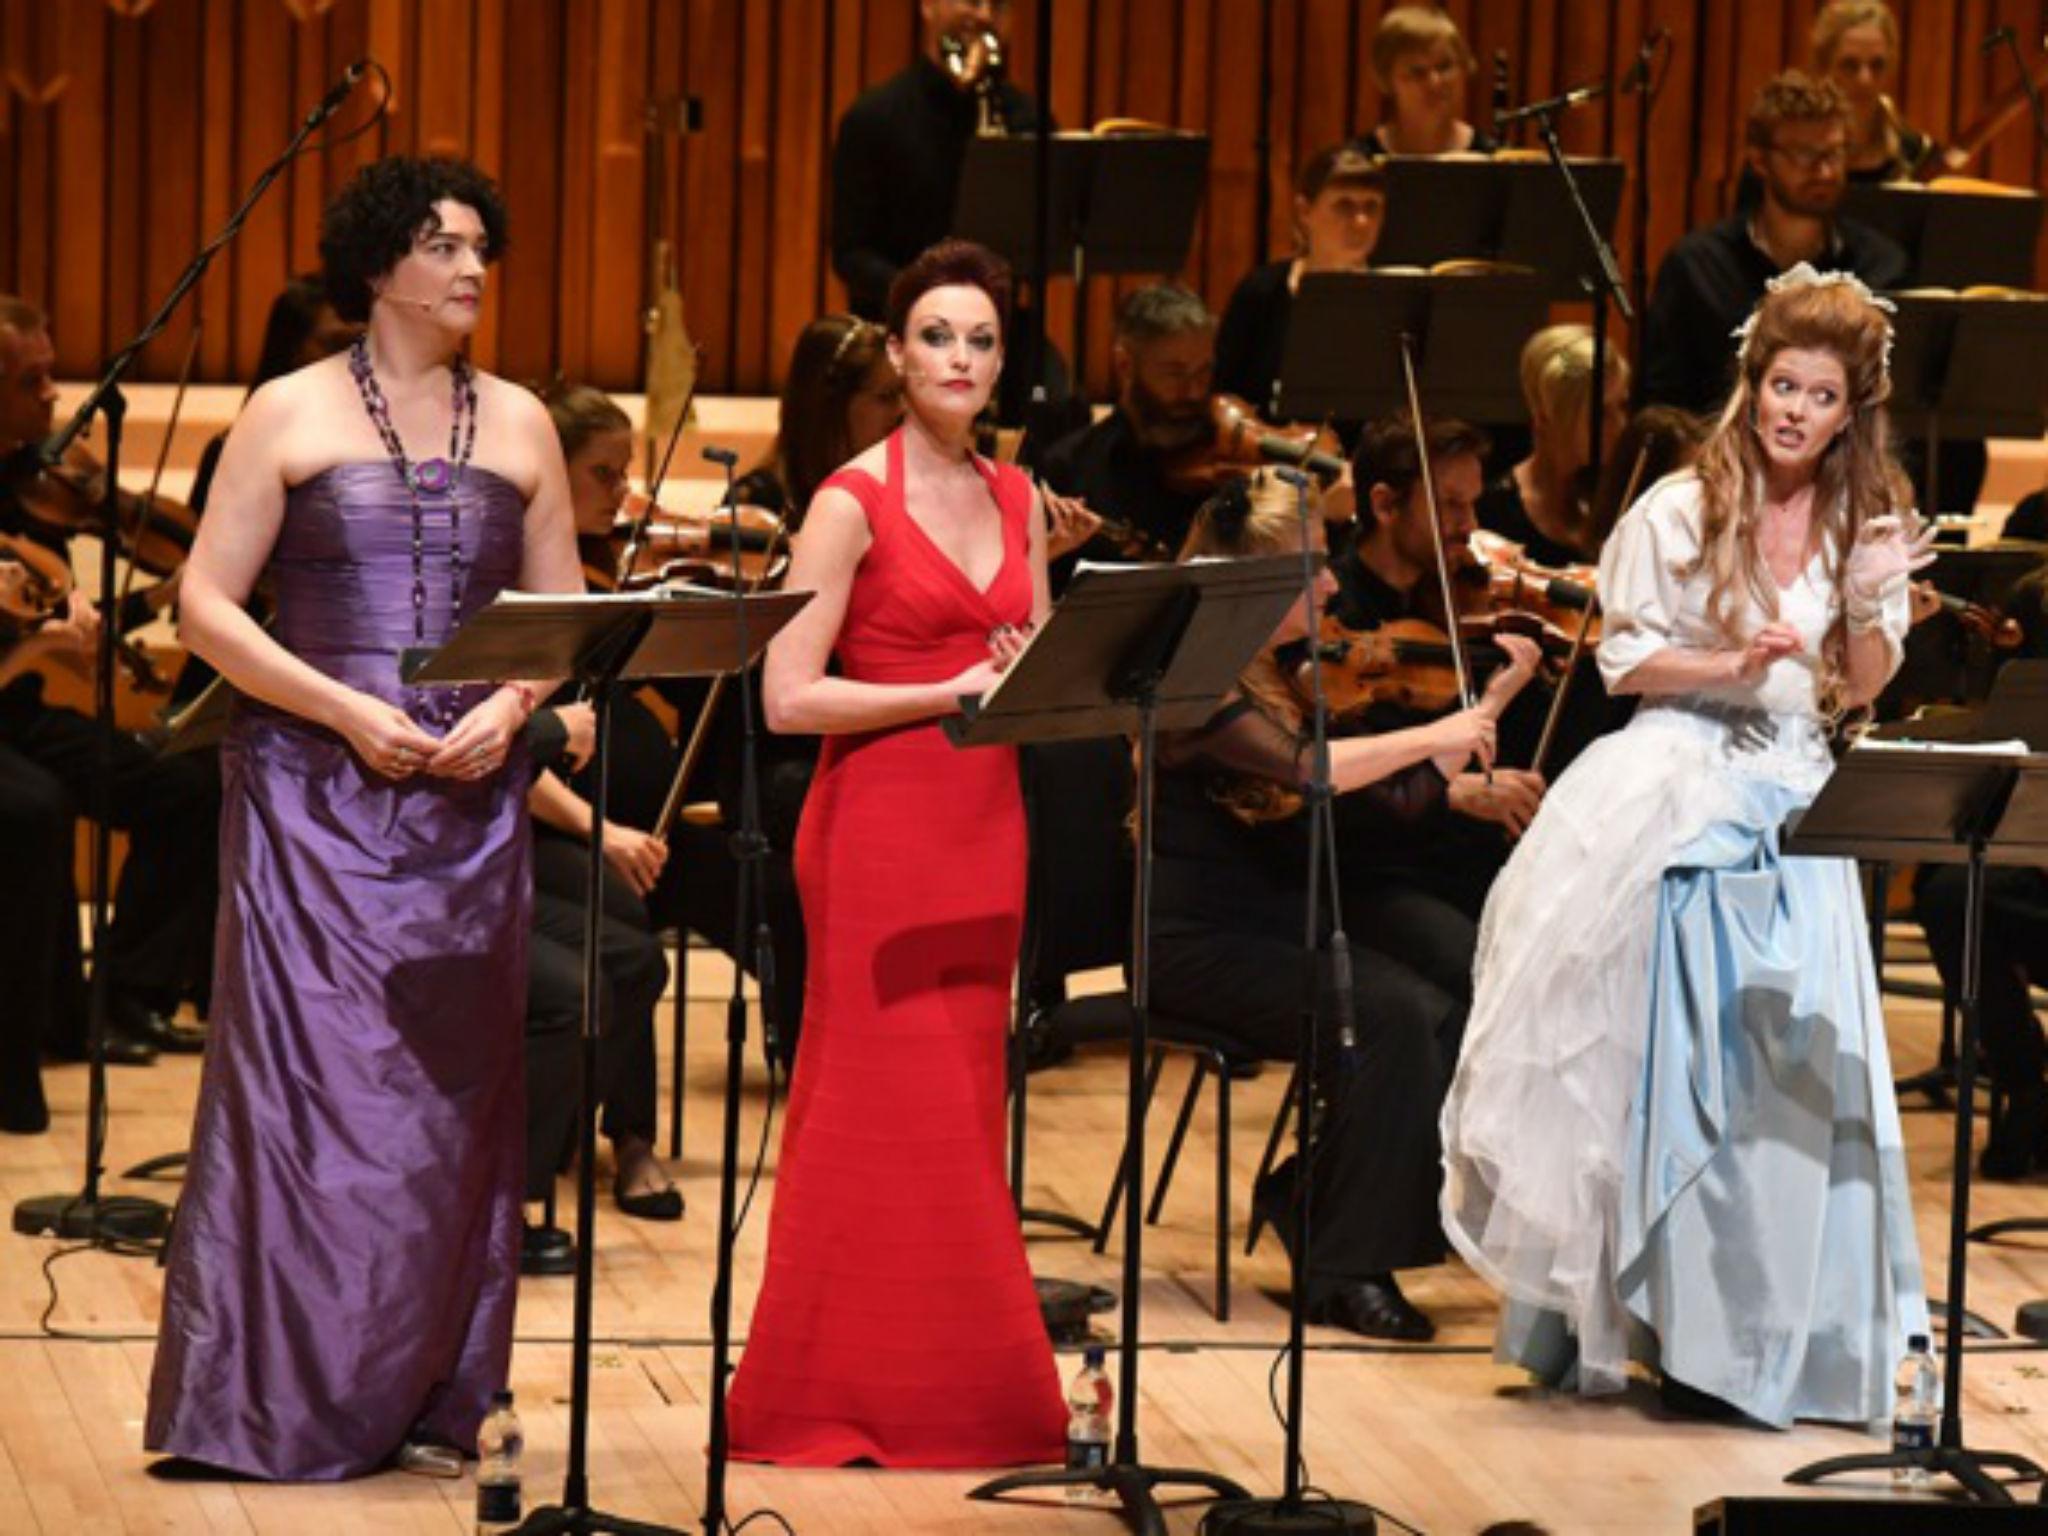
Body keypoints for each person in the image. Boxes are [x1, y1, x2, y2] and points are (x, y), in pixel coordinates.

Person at [146, 155, 583, 1480]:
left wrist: (512, 711)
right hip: (307, 797)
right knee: (308, 1094)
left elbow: (559, 625)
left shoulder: (520, 424)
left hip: (469, 809)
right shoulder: (284, 410)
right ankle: (274, 1404)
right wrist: (338, 710)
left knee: (448, 1108)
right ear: (379, 263)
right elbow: (203, 606)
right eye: (443, 245)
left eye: (479, 246)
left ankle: (423, 1386)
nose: (471, 268)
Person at [1442, 267, 1934, 1428]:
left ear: (1849, 409)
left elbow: (1858, 690)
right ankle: (1670, 1321)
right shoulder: (1677, 507)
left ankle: (1778, 1328)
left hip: (1798, 795)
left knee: (1788, 1072)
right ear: (1749, 383)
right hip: (1675, 778)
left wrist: (1864, 606)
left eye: (1817, 394)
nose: (1791, 409)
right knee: (1670, 1064)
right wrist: (1728, 661)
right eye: (1778, 383)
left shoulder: (1866, 519)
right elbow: (1621, 661)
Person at [728, 239, 1065, 1466]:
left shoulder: (1020, 500)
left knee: (965, 1117)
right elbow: (785, 698)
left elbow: (1016, 663)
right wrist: (941, 694)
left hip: (986, 830)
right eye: (936, 337)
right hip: (873, 826)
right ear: (894, 351)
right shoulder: (845, 500)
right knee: (876, 1108)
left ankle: (960, 1395)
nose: (960, 360)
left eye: (980, 340)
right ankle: (833, 1391)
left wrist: (1029, 683)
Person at [1156, 470, 1535, 1339]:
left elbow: (1394, 803)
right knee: (1395, 1013)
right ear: (1248, 583)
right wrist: (1439, 735)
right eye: (1309, 570)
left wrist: (1485, 707)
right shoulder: (1195, 683)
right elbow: (1309, 770)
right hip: (1198, 937)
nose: (1331, 586)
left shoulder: (1286, 666)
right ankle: (1342, 1267)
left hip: (1280, 915)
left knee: (1443, 1000)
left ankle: (1321, 1198)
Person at [0, 295, 218, 1131]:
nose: (57, 398)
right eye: (35, 380)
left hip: (19, 710)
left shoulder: (39, 480)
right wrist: (49, 644)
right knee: (37, 808)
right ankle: (47, 1019)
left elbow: (53, 608)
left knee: (186, 784)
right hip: (11, 703)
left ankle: (124, 993)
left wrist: (150, 594)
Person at [1327, 412, 1553, 899]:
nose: (1470, 527)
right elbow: (1335, 787)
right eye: (1451, 506)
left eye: (1472, 505)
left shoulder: (1455, 597)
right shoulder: (1334, 623)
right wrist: (1457, 793)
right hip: (1377, 879)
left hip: (1463, 858)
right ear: (1385, 506)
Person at [1640, 72, 1908, 418]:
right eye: (1803, 154)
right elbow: (1662, 408)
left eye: (1835, 153)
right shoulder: (1696, 266)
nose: (1825, 171)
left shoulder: (1881, 267)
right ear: (1759, 160)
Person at [830, 0, 1041, 322]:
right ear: (928, 5)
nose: (984, 15)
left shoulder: (1028, 121)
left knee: (1053, 372)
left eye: (998, 5)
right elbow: (850, 254)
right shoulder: (873, 119)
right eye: (972, 1)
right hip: (895, 325)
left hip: (998, 328)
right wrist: (925, 296)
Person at [1039, 284, 1218, 564]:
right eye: (1175, 374)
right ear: (1125, 365)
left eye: (1204, 372)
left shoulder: (1225, 465)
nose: (1194, 392)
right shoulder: (1068, 469)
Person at [1214, 146, 1387, 421]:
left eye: (1372, 207)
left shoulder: (1391, 300)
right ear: (1305, 211)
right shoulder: (1261, 293)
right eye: (1344, 206)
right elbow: (1222, 397)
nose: (1362, 221)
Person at [1476, 325, 1630, 568]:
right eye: (1600, 413)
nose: (1621, 426)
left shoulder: (1624, 502)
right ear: (1545, 419)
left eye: (1622, 406)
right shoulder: (1493, 515)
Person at [1812, 2, 1939, 183]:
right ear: (1824, 67)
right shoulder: (1795, 157)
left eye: (1877, 65)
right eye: (1850, 65)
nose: (1865, 80)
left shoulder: (1918, 157)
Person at [1351, 6, 1498, 158]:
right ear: (1386, 79)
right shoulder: (1359, 160)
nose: (1435, 82)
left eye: (1444, 66)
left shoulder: (1493, 158)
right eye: (1417, 72)